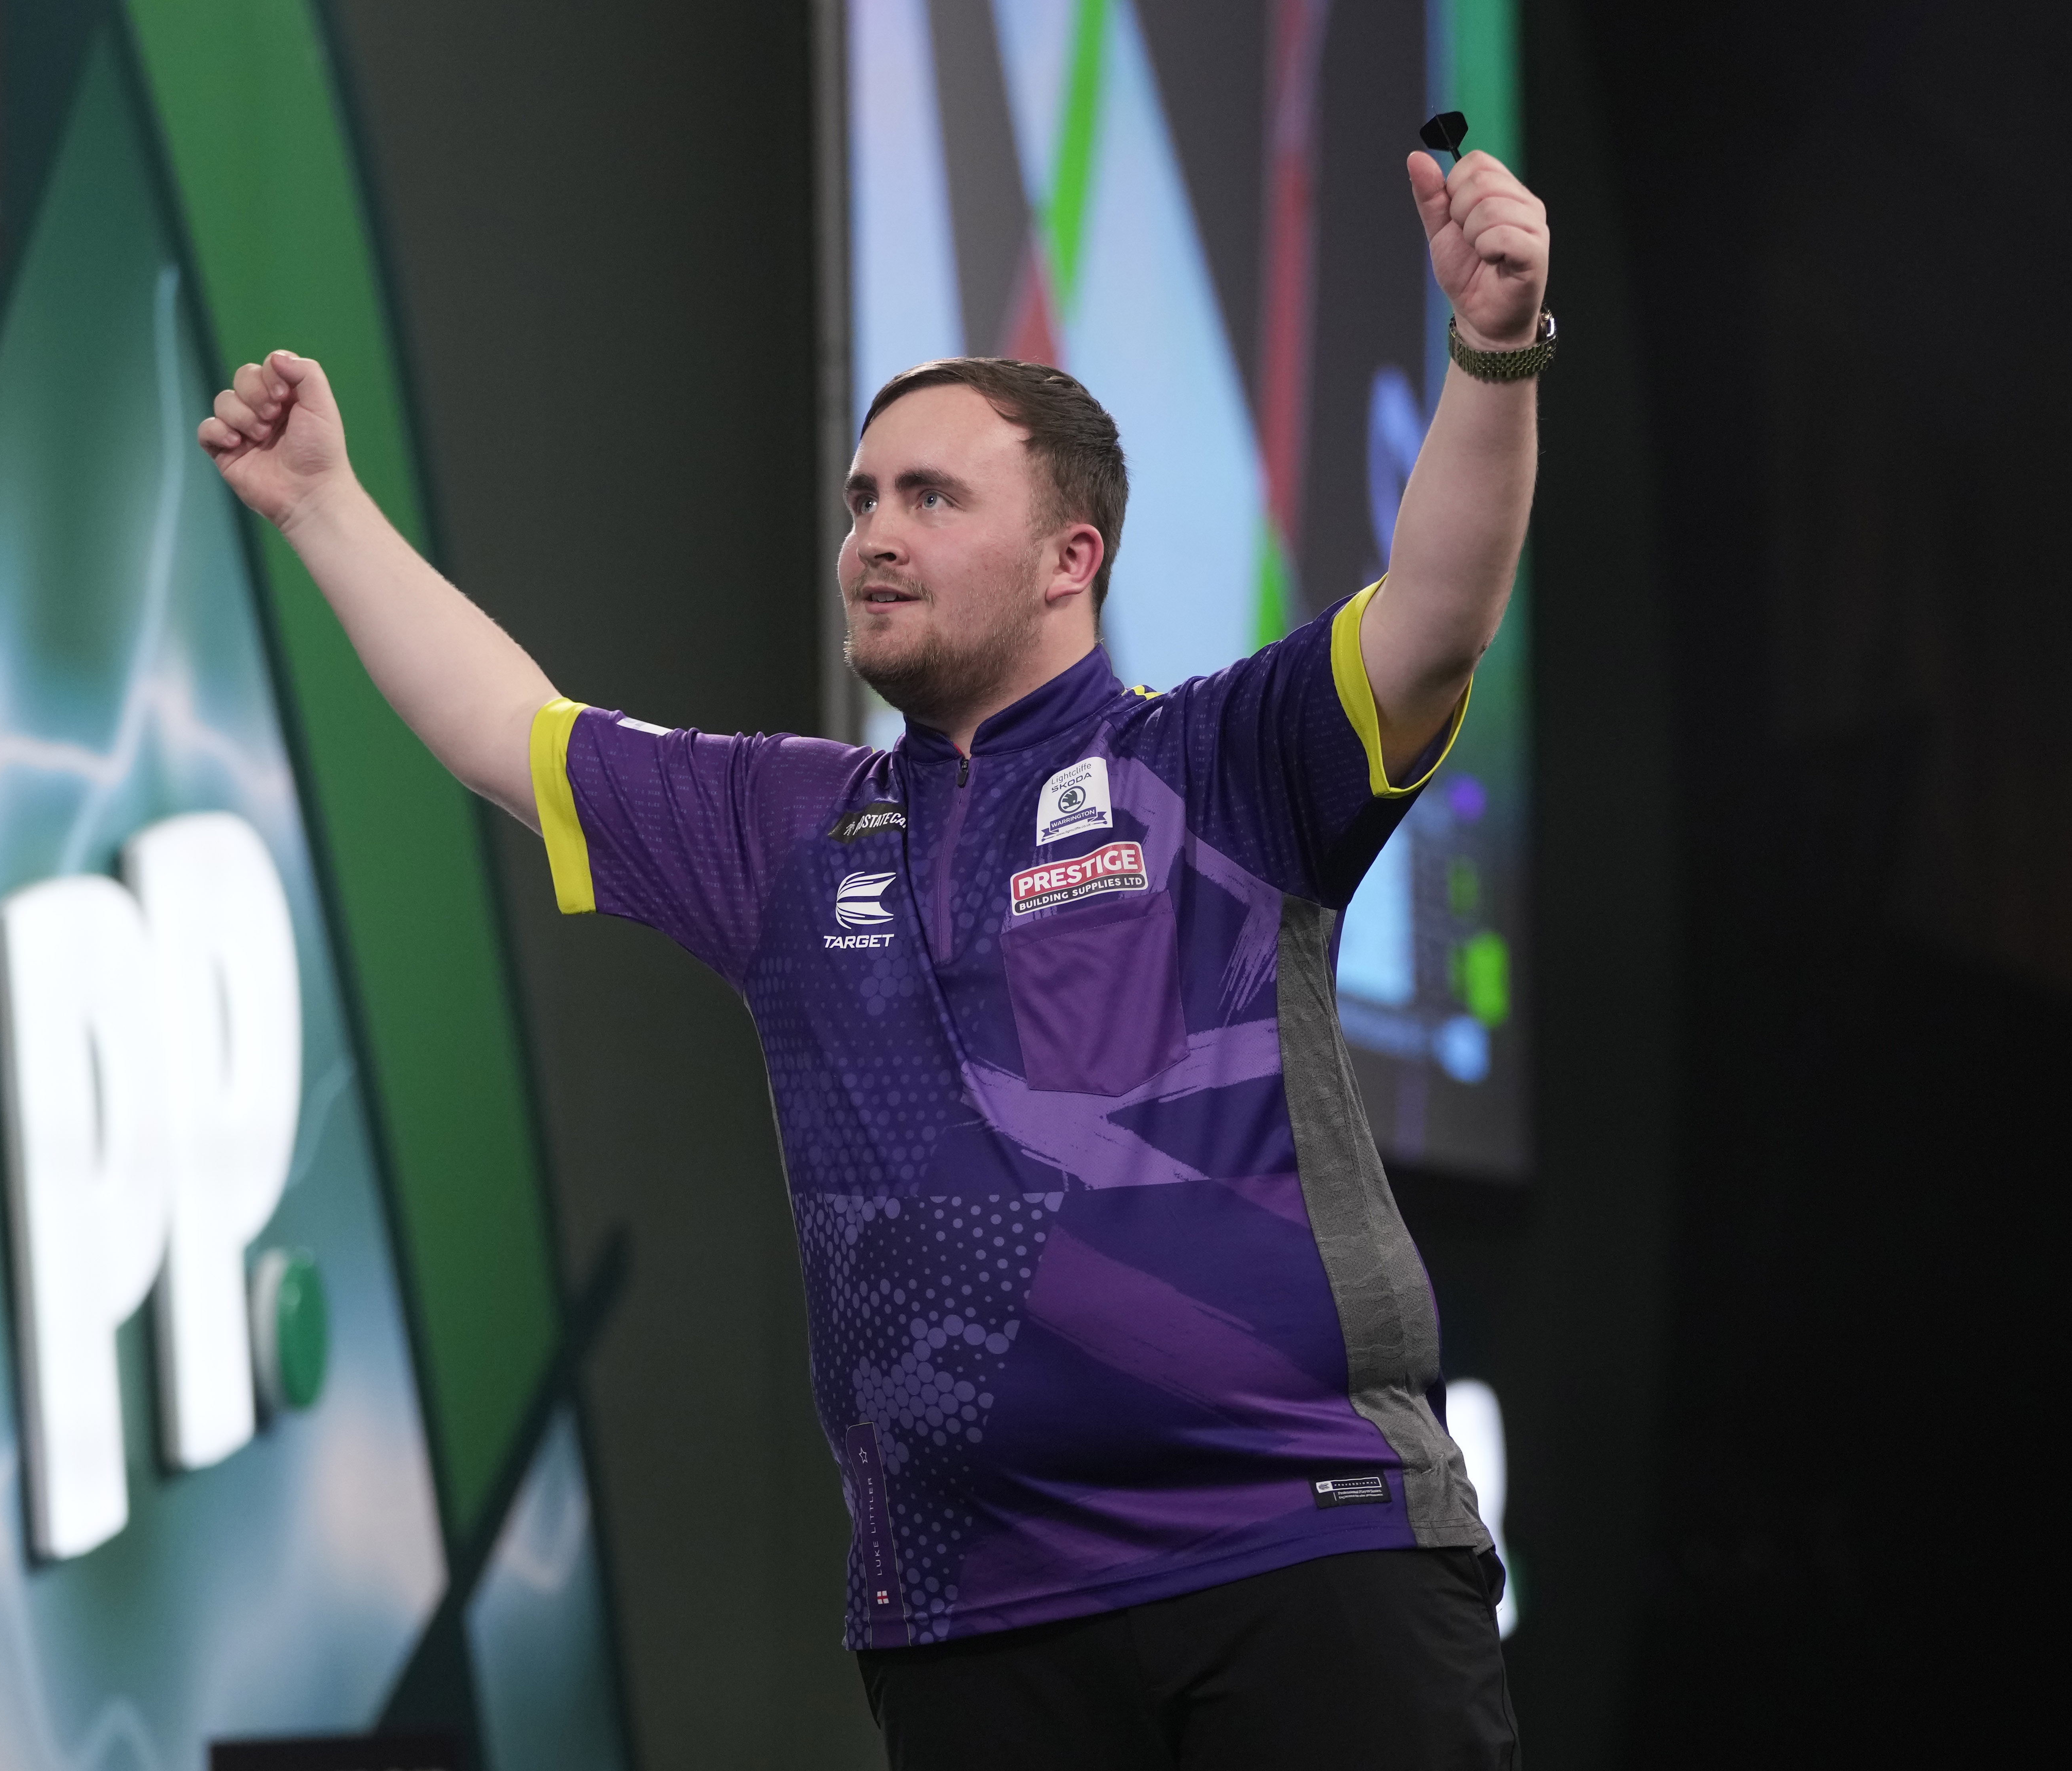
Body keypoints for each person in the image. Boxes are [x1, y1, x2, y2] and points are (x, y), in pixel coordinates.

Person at [201, 143, 1548, 1770]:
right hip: (971, 1623)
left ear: (1074, 560)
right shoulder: (782, 828)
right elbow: (509, 734)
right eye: (861, 500)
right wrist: (323, 506)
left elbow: (1437, 615)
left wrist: (1490, 354)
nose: (872, 537)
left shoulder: (1218, 766)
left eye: (930, 497)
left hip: (1303, 1554)